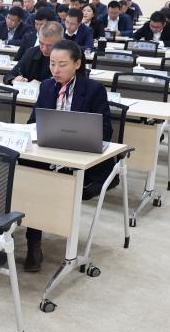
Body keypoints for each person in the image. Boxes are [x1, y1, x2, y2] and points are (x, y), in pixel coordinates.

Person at [23, 39, 115, 272]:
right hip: (48, 153)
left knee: (45, 184)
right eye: (52, 64)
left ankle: (50, 239)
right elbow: (33, 121)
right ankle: (33, 242)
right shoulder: (46, 86)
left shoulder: (93, 90)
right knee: (30, 178)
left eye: (62, 65)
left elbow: (105, 131)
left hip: (81, 158)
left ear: (77, 64)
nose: (55, 70)